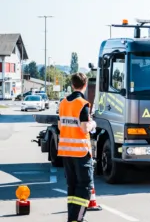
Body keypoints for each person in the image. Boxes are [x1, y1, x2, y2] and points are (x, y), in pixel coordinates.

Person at [57, 72, 97, 222]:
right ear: (85, 85)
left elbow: (60, 125)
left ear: (72, 85)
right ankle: (76, 219)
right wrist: (93, 123)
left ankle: (72, 218)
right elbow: (85, 128)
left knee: (72, 187)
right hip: (80, 152)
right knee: (86, 187)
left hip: (66, 152)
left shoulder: (63, 103)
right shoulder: (83, 104)